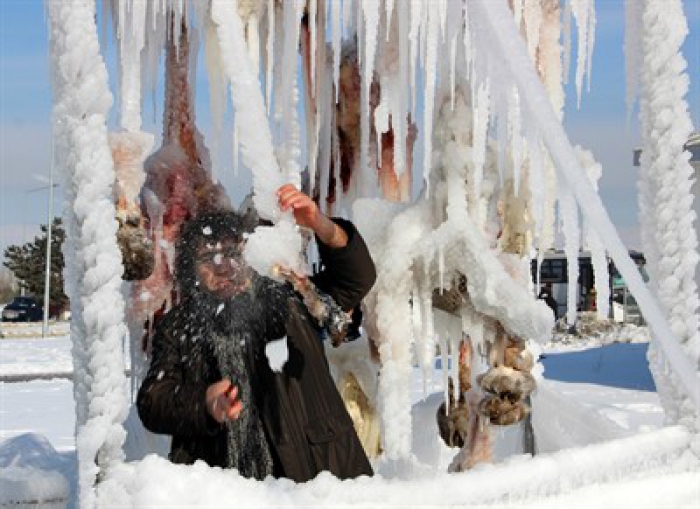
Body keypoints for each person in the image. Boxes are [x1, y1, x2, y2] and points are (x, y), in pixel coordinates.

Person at [137, 185, 376, 482]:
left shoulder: (291, 300)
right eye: (207, 257)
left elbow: (357, 278)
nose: (222, 265)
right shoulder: (179, 324)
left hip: (315, 471)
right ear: (191, 269)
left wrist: (320, 224)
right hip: (226, 485)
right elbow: (152, 402)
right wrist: (203, 402)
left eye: (231, 251)